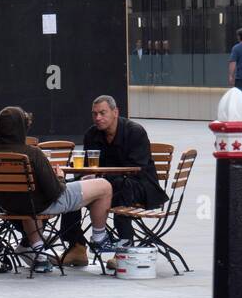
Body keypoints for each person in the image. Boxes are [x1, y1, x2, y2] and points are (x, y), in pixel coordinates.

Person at [0, 106, 114, 273]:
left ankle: (39, 255)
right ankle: (99, 238)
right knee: (104, 186)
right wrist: (61, 176)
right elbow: (54, 191)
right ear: (21, 129)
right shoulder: (32, 153)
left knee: (27, 196)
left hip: (10, 205)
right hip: (42, 203)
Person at [59, 94, 165, 266]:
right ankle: (76, 246)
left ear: (115, 112)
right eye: (94, 114)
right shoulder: (92, 134)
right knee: (72, 188)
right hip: (105, 186)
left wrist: (102, 179)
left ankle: (124, 247)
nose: (98, 118)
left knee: (121, 187)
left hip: (141, 186)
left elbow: (137, 169)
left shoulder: (134, 132)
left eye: (102, 113)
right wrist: (85, 178)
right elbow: (88, 169)